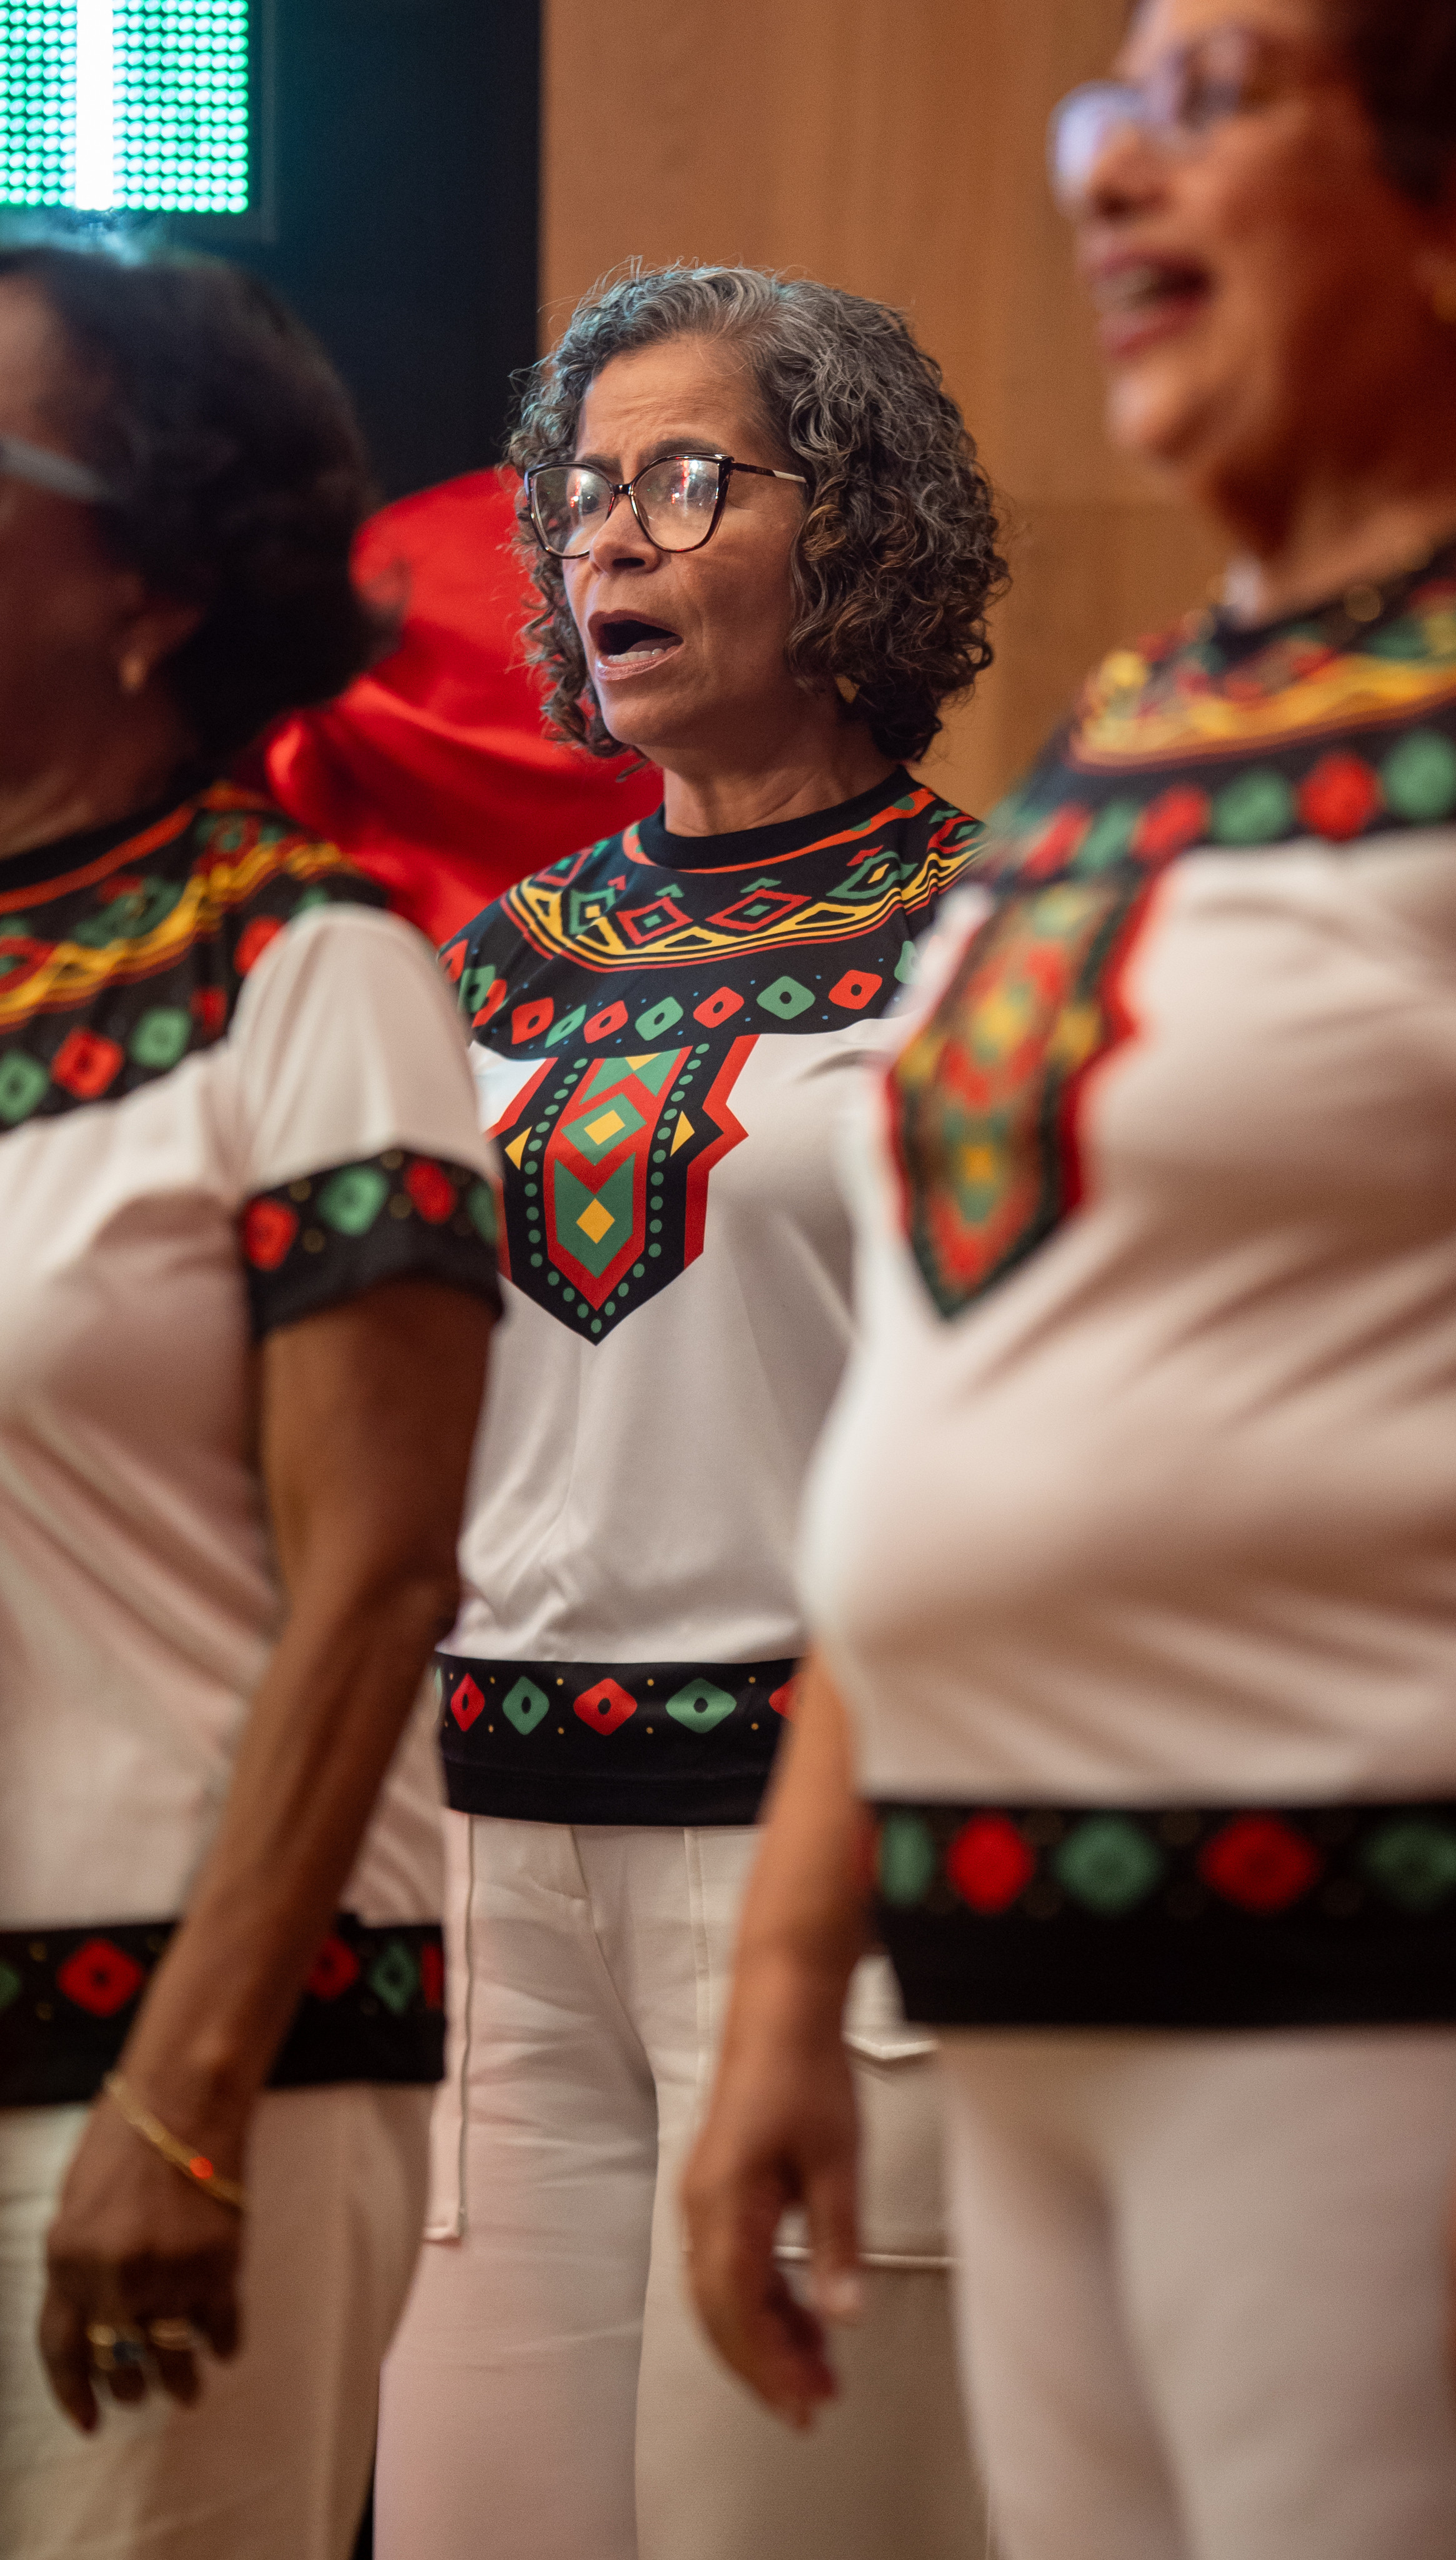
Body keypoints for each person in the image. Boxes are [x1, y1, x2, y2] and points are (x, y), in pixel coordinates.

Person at [686, 5, 1456, 2556]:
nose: (1110, 176)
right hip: (1018, 1988)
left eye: (1208, 105)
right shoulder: (1116, 751)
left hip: (1396, 1997)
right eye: (1106, 107)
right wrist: (788, 1976)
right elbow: (944, 1384)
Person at [374, 266, 1005, 2560]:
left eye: (683, 481)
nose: (607, 541)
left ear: (853, 526)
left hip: (825, 1878)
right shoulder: (491, 962)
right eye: (581, 496)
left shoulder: (993, 939)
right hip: (481, 1871)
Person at [0, 238, 499, 2560]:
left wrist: (182, 2093)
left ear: (156, 584)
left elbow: (380, 1578)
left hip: (175, 2070)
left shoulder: (312, 972)